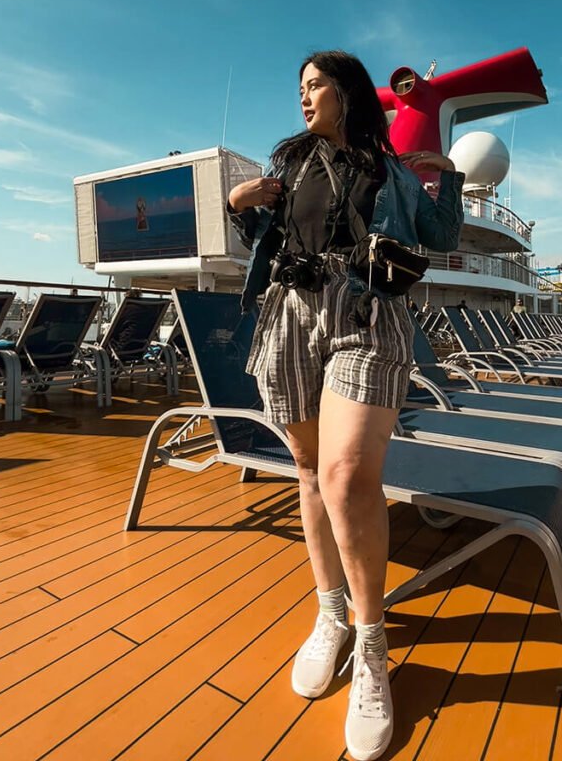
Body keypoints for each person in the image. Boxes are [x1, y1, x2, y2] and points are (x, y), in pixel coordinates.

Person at [226, 50, 464, 761]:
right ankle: (328, 612)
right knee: (306, 469)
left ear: (348, 92)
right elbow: (263, 244)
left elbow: (441, 239)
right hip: (290, 312)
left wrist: (445, 179)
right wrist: (241, 204)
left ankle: (370, 642)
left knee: (347, 475)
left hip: (366, 316)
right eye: (298, 87)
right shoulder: (289, 165)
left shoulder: (389, 170)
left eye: (315, 85)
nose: (303, 97)